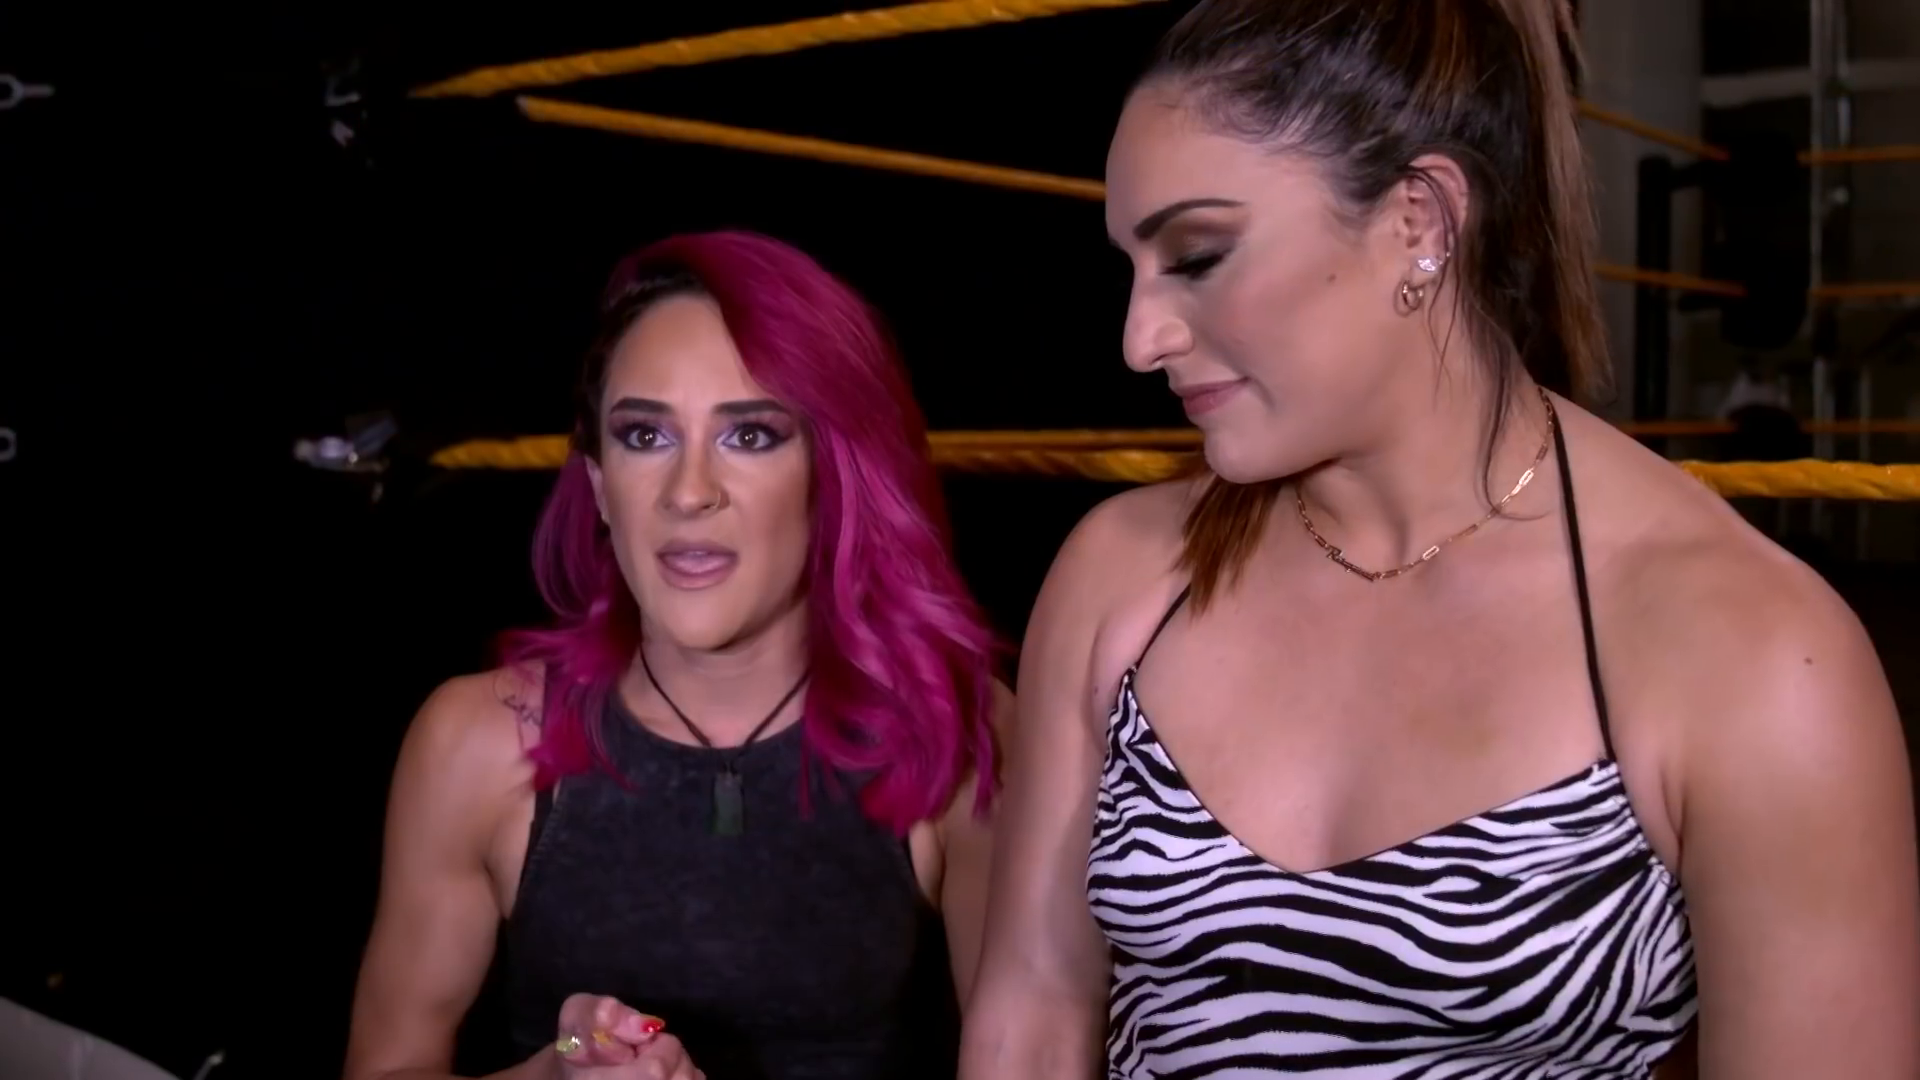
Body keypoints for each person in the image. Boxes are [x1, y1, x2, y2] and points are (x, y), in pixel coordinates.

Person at [960, 1, 1919, 1078]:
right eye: (1132, 269)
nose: (1141, 339)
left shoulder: (1751, 651)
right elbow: (1032, 1017)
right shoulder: (1126, 575)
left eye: (1199, 255)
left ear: (1418, 222)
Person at [344, 230, 1012, 1080]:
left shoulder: (961, 733)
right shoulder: (476, 740)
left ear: (836, 473)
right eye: (645, 436)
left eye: (751, 436)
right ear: (598, 484)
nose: (689, 492)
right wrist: (558, 1068)